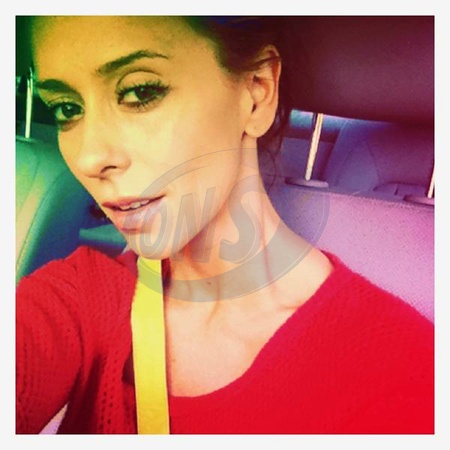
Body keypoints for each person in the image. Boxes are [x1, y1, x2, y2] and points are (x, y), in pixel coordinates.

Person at [16, 16, 434, 434]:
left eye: (140, 91)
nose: (89, 157)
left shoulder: (406, 375)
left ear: (257, 92)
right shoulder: (83, 295)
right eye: (67, 109)